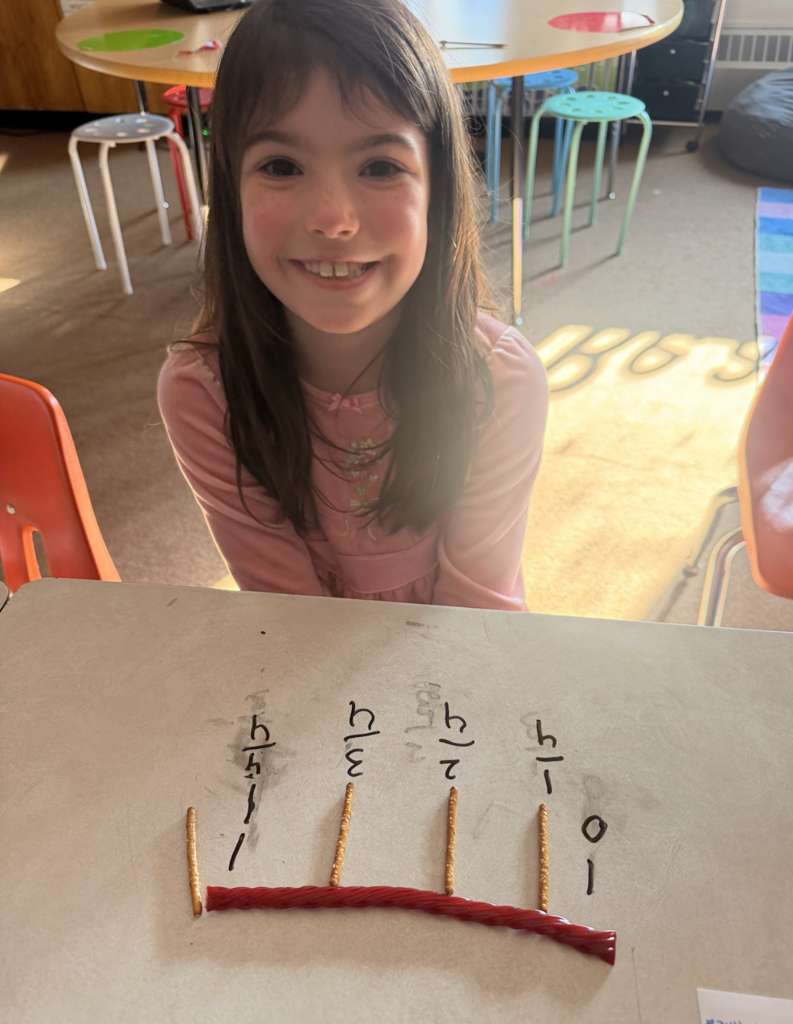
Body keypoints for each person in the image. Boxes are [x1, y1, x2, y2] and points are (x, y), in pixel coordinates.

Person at [158, 0, 548, 611]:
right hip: (311, 661)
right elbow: (288, 614)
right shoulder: (205, 390)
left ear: (437, 192)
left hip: (464, 666)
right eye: (282, 166)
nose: (333, 219)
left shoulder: (499, 378)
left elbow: (478, 614)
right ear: (230, 190)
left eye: (380, 166)